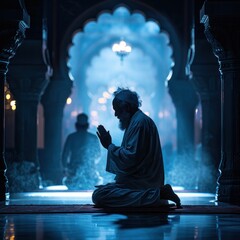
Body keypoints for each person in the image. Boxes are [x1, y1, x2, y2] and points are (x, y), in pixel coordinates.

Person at [92, 87, 181, 208]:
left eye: (117, 110)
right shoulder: (136, 121)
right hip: (137, 181)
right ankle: (156, 194)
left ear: (127, 107)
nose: (115, 114)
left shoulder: (139, 123)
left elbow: (131, 157)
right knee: (103, 190)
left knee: (100, 196)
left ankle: (157, 195)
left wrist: (109, 146)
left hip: (143, 183)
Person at [61, 113, 102, 190]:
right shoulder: (93, 137)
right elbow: (98, 155)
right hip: (90, 172)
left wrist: (66, 168)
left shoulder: (71, 137)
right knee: (97, 181)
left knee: (68, 182)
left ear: (76, 125)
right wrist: (91, 164)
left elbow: (65, 155)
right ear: (87, 125)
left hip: (74, 171)